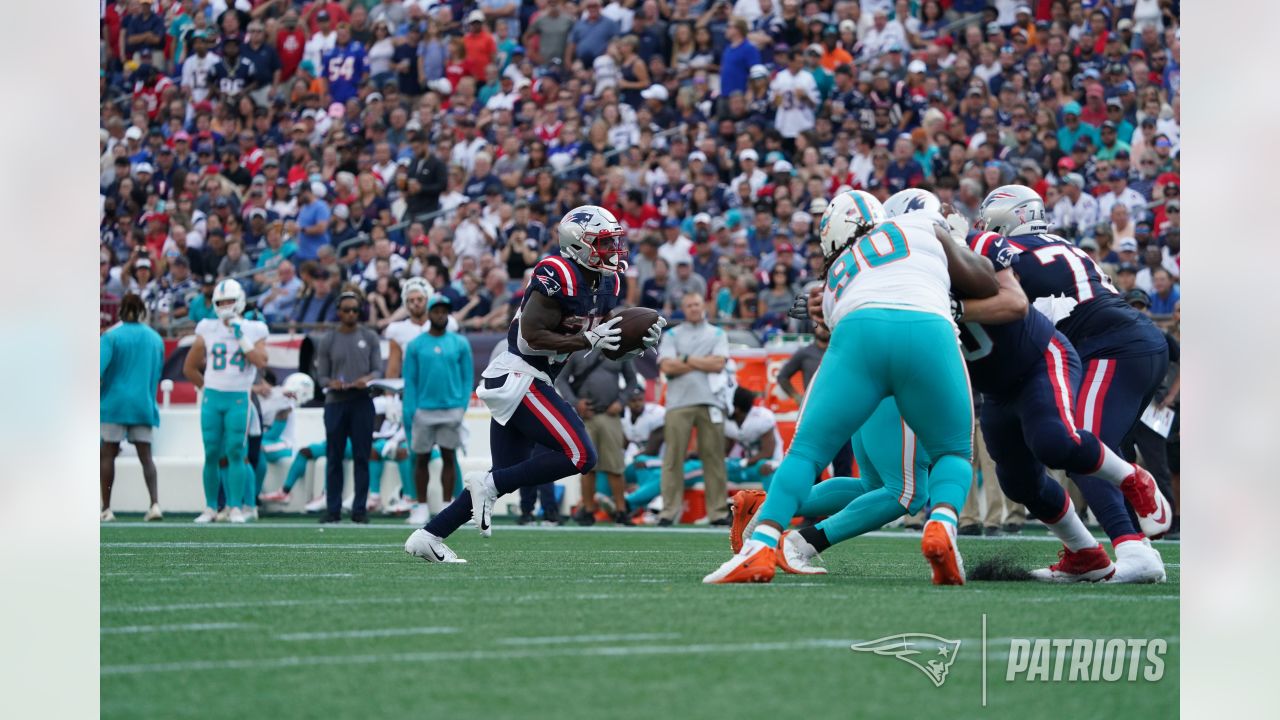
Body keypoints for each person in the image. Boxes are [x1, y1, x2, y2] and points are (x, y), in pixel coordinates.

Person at [704, 188, 1000, 585]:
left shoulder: (843, 267)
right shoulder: (923, 226)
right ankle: (935, 523)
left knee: (822, 460)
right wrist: (960, 244)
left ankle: (763, 537)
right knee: (924, 478)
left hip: (859, 346)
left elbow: (832, 325)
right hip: (925, 336)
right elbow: (987, 285)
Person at [405, 206, 664, 563]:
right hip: (521, 373)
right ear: (578, 244)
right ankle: (479, 492)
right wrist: (591, 339)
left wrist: (626, 348)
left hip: (536, 378)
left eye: (613, 243)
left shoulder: (607, 282)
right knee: (580, 455)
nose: (612, 251)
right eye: (603, 243)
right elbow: (531, 336)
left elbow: (599, 341)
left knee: (501, 477)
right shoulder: (556, 272)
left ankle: (429, 535)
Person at [977, 185, 1172, 582]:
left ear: (1003, 219)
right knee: (1035, 466)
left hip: (1111, 347)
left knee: (1078, 442)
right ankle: (1087, 554)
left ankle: (1134, 550)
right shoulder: (1052, 247)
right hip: (1116, 345)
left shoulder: (1009, 255)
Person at [182, 279, 270, 523]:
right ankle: (211, 507)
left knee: (235, 451)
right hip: (213, 398)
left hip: (239, 398)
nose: (226, 306)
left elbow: (261, 361)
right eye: (221, 302)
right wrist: (207, 389)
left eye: (230, 300)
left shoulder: (254, 328)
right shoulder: (207, 327)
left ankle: (235, 507)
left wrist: (240, 336)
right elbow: (189, 367)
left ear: (240, 300)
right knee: (211, 452)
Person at [657, 292, 731, 526]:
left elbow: (719, 364)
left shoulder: (718, 333)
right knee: (672, 458)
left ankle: (718, 512)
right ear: (683, 309)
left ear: (704, 306)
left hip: (711, 401)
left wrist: (685, 358)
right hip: (678, 402)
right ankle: (669, 511)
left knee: (714, 458)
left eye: (697, 304)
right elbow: (667, 367)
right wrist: (703, 361)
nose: (694, 308)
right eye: (689, 305)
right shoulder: (671, 334)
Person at [403, 295, 474, 528]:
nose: (440, 315)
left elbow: (467, 379)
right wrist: (412, 410)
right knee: (420, 459)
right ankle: (421, 506)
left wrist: (461, 406)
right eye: (436, 311)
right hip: (423, 410)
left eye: (444, 311)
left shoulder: (460, 343)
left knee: (448, 457)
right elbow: (410, 381)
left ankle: (446, 506)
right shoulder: (415, 345)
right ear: (429, 314)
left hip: (451, 410)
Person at [313, 291, 383, 523]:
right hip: (336, 402)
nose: (351, 313)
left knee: (362, 457)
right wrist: (331, 383)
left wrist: (367, 379)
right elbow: (321, 375)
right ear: (338, 312)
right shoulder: (328, 339)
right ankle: (333, 509)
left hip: (362, 401)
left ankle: (359, 509)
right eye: (346, 310)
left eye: (355, 310)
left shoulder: (370, 337)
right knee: (334, 457)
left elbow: (377, 370)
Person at [554, 345, 641, 525]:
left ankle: (621, 510)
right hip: (586, 415)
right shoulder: (577, 349)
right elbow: (561, 379)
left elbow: (632, 381)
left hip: (611, 414)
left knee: (615, 465)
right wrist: (575, 403)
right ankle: (587, 509)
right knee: (587, 466)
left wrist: (621, 402)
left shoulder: (621, 348)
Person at [100, 293, 165, 522]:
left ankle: (107, 508)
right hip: (143, 403)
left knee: (107, 454)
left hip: (114, 404)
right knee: (146, 457)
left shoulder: (111, 336)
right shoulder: (155, 339)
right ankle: (155, 504)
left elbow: (97, 370)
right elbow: (157, 372)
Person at [724, 387, 782, 489]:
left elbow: (768, 453)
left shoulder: (762, 417)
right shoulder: (728, 422)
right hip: (745, 466)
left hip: (768, 464)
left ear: (736, 409)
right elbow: (725, 450)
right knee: (714, 468)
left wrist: (743, 463)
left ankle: (772, 503)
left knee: (764, 466)